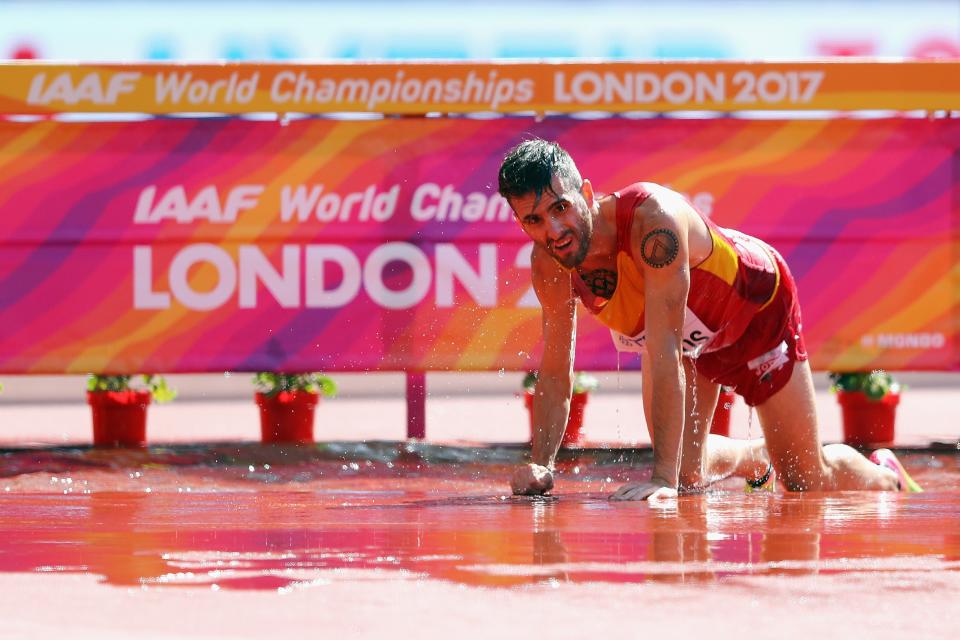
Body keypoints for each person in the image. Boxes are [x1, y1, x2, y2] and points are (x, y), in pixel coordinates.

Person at [497, 139, 921, 500]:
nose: (554, 230)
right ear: (519, 223)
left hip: (755, 310)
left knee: (805, 480)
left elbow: (663, 351)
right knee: (688, 475)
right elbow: (554, 371)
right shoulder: (550, 266)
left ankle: (886, 477)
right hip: (690, 341)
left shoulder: (651, 222)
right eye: (534, 220)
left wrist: (660, 479)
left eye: (561, 207)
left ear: (586, 194)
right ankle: (756, 455)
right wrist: (541, 465)